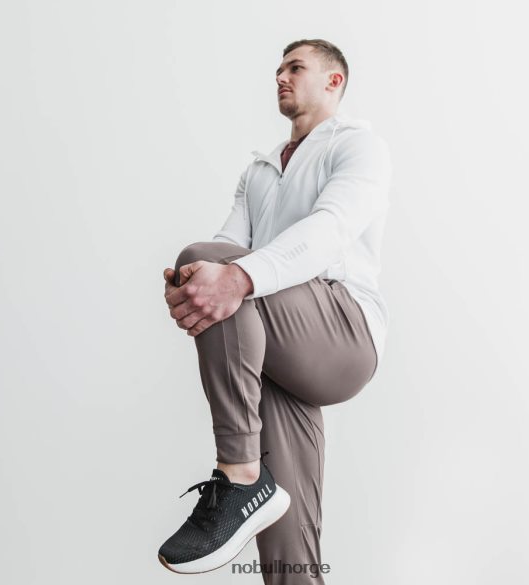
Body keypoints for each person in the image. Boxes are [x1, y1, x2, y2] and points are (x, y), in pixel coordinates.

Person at [157, 38, 392, 583]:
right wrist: (192, 286)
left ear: (334, 80)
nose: (280, 77)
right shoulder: (260, 170)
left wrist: (230, 276)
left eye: (295, 67)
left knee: (205, 261)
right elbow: (228, 244)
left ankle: (239, 473)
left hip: (342, 332)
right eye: (278, 69)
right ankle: (255, 494)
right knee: (288, 551)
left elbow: (331, 230)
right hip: (274, 343)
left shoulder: (358, 146)